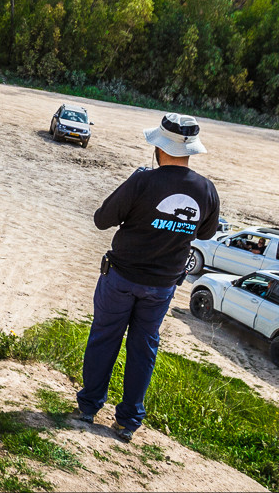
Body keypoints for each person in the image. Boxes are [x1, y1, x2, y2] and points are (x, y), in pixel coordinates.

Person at [75, 113, 220, 443]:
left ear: (159, 147)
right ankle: (128, 422)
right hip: (162, 287)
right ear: (190, 152)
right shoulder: (206, 190)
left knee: (104, 339)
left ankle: (88, 407)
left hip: (122, 278)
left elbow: (101, 219)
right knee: (144, 348)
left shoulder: (142, 181)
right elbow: (207, 233)